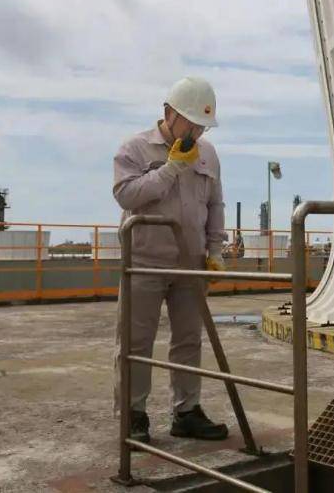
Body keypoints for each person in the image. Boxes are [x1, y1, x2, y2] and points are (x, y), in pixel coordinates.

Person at [112, 77, 228, 444]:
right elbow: (126, 195)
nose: (195, 131)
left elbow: (214, 205)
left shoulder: (208, 154)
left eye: (201, 125)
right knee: (135, 342)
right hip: (144, 261)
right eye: (190, 122)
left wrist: (215, 251)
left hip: (190, 263)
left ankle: (186, 411)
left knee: (189, 340)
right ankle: (133, 415)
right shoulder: (135, 149)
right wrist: (171, 168)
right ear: (168, 113)